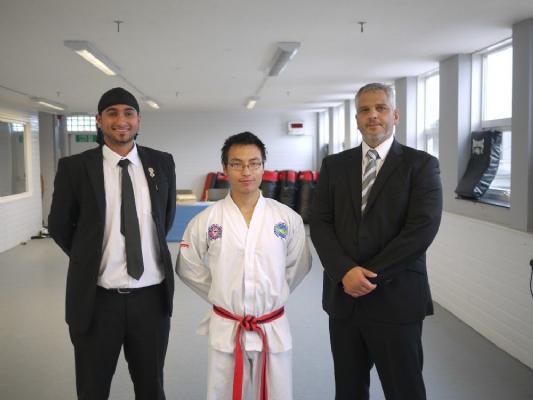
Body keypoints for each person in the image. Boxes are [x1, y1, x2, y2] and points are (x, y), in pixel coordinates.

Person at [310, 83, 443, 400]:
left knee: (404, 390)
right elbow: (320, 223)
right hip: (345, 301)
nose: (372, 115)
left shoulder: (421, 165)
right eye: (364, 110)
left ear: (395, 115)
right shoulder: (334, 166)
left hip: (397, 298)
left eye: (380, 108)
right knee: (349, 389)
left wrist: (368, 276)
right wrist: (345, 271)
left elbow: (421, 230)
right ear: (356, 119)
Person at [48, 87, 176, 400]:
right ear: (99, 120)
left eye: (128, 113)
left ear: (139, 119)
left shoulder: (161, 163)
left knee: (151, 388)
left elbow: (165, 218)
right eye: (112, 113)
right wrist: (88, 255)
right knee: (92, 390)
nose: (121, 120)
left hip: (151, 299)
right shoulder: (75, 168)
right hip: (97, 301)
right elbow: (60, 226)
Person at [176, 131, 311, 400]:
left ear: (263, 167)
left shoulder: (286, 218)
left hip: (271, 325)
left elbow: (299, 265)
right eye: (237, 164)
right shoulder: (207, 220)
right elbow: (187, 266)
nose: (246, 171)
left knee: (277, 394)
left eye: (254, 163)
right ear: (225, 169)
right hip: (227, 326)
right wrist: (220, 290)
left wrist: (273, 290)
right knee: (223, 394)